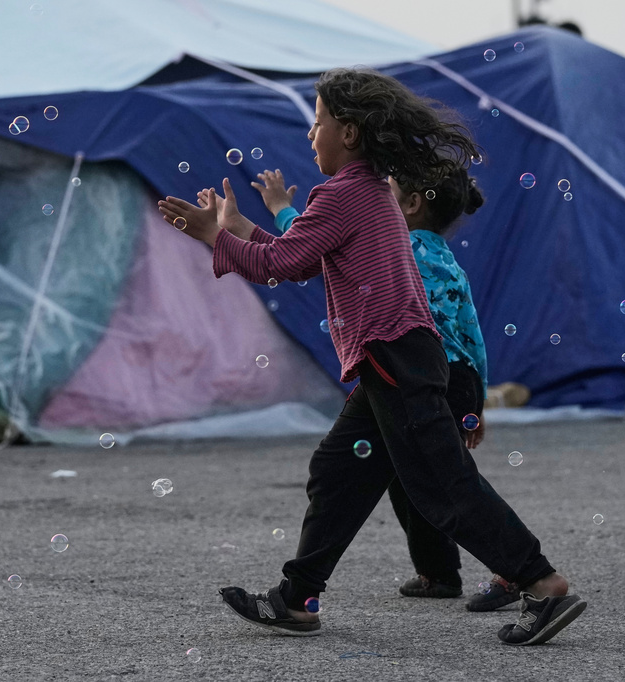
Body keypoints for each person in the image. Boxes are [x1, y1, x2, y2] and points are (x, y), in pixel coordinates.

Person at [157, 67, 586, 646]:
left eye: (318, 122)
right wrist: (239, 229)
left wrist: (215, 236)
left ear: (351, 133)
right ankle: (297, 599)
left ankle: (541, 582)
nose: (311, 134)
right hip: (397, 357)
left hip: (394, 356)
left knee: (440, 483)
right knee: (338, 469)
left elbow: (281, 264)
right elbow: (302, 257)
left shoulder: (344, 194)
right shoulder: (370, 192)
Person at [250, 166, 501, 604]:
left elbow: (320, 246)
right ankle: (438, 572)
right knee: (410, 477)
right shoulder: (449, 262)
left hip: (418, 372)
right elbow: (472, 336)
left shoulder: (396, 247)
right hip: (456, 377)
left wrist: (282, 210)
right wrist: (476, 399)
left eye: (388, 192)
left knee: (443, 482)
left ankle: (516, 570)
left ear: (412, 204)